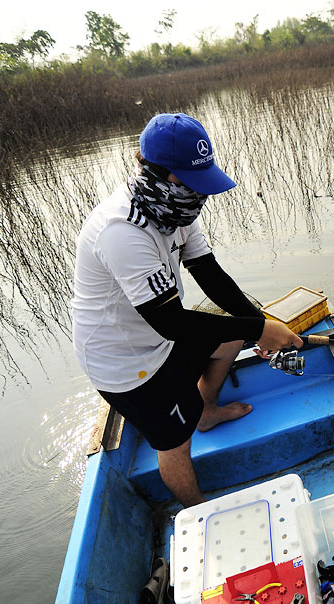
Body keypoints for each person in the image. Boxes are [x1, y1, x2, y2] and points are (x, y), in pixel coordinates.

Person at [71, 112, 301, 507]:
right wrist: (260, 330)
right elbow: (171, 323)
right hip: (125, 363)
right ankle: (202, 512)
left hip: (158, 336)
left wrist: (259, 324)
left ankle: (205, 411)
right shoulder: (121, 230)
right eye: (191, 183)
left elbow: (211, 276)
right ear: (157, 173)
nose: (201, 195)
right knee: (175, 444)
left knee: (229, 335)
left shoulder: (177, 210)